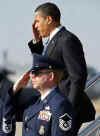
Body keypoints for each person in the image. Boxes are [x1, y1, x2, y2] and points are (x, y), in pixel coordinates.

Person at [27, 2, 96, 135]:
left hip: (66, 109)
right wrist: (37, 42)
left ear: (49, 19)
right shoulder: (54, 40)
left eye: (37, 21)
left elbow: (78, 76)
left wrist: (67, 109)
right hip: (53, 107)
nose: (35, 26)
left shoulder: (66, 40)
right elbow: (43, 64)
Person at [3, 53, 75, 136]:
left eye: (36, 73)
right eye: (31, 72)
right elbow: (9, 115)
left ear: (51, 76)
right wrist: (14, 90)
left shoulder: (60, 104)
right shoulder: (33, 102)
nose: (32, 76)